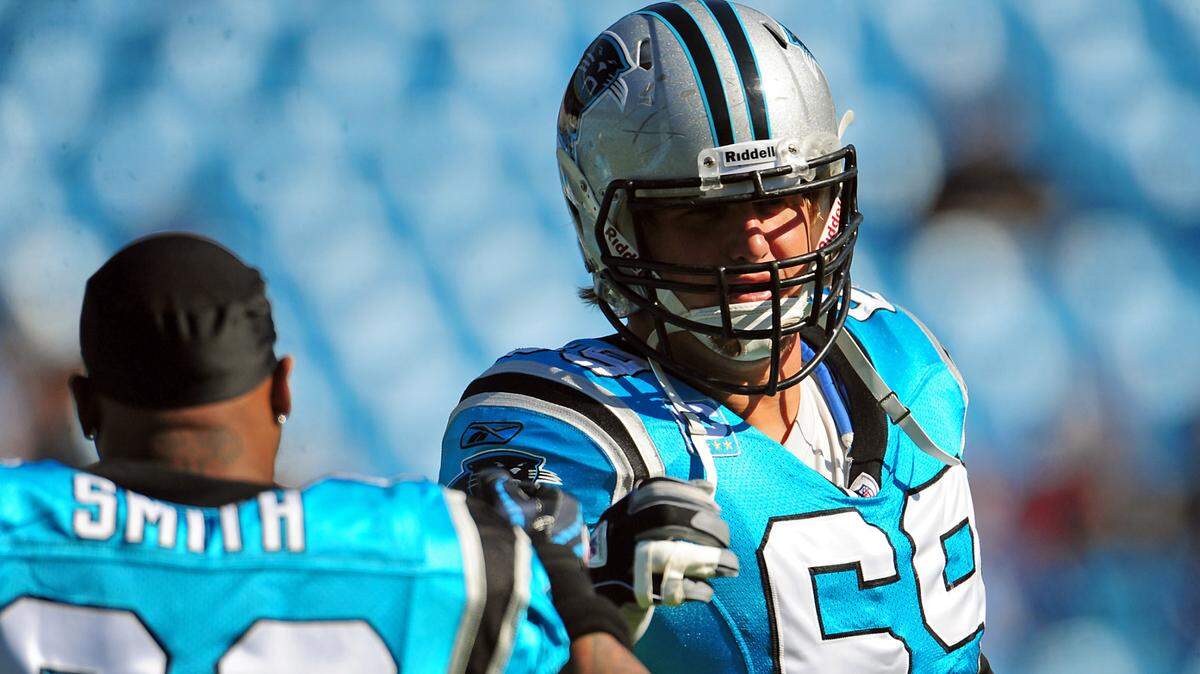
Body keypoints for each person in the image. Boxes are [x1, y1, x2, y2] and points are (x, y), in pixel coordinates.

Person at [440, 2, 990, 672]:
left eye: (777, 199)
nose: (754, 244)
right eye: (703, 214)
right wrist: (595, 603)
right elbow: (488, 625)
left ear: (826, 202)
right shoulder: (575, 425)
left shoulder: (901, 362)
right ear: (615, 232)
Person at [0, 233, 642, 674]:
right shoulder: (442, 549)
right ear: (283, 388)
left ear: (84, 407)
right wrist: (578, 593)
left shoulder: (16, 522)